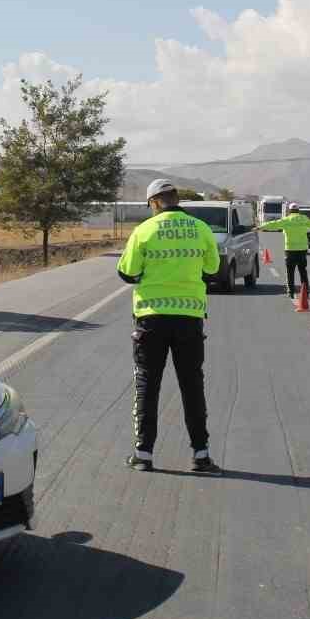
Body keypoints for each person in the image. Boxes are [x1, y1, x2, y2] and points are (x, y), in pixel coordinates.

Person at [116, 179, 222, 474]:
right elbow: (212, 269)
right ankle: (201, 455)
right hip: (189, 319)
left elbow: (127, 272)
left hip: (151, 319)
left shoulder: (144, 231)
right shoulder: (201, 229)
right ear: (175, 199)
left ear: (154, 203)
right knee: (192, 386)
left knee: (147, 385)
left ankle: (143, 454)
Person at [258, 203, 310, 298]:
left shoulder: (286, 220)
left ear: (289, 211)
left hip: (290, 250)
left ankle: (291, 292)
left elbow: (273, 224)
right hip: (302, 250)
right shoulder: (304, 219)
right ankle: (305, 292)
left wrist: (260, 227)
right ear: (298, 211)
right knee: (303, 271)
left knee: (290, 272)